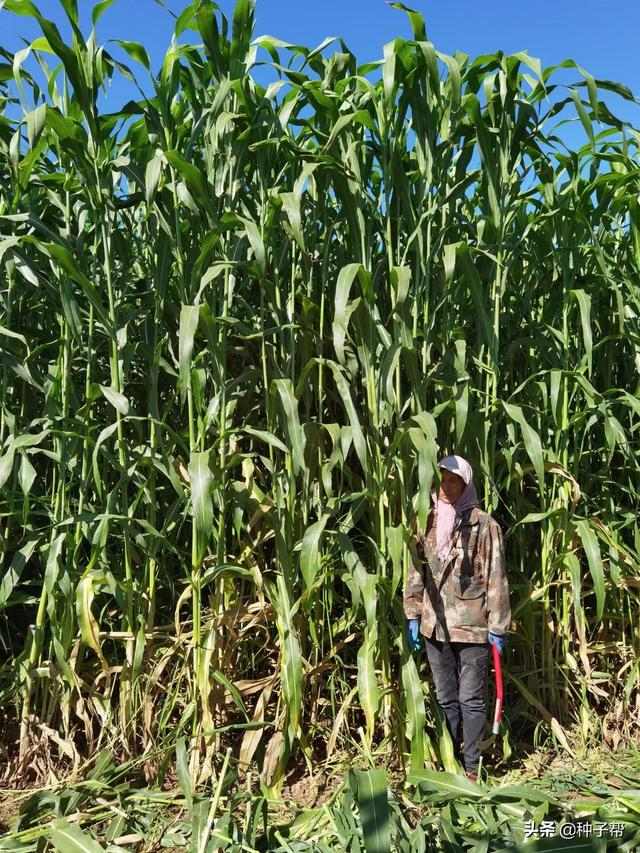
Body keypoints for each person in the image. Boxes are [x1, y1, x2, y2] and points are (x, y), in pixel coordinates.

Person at [403, 455, 511, 780]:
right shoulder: (427, 521)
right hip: (434, 625)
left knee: (471, 698)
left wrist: (498, 627)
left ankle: (473, 767)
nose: (447, 488)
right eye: (442, 481)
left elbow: (496, 577)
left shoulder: (484, 525)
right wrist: (413, 612)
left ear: (466, 484)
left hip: (473, 625)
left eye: (454, 482)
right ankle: (450, 762)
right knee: (445, 697)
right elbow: (414, 569)